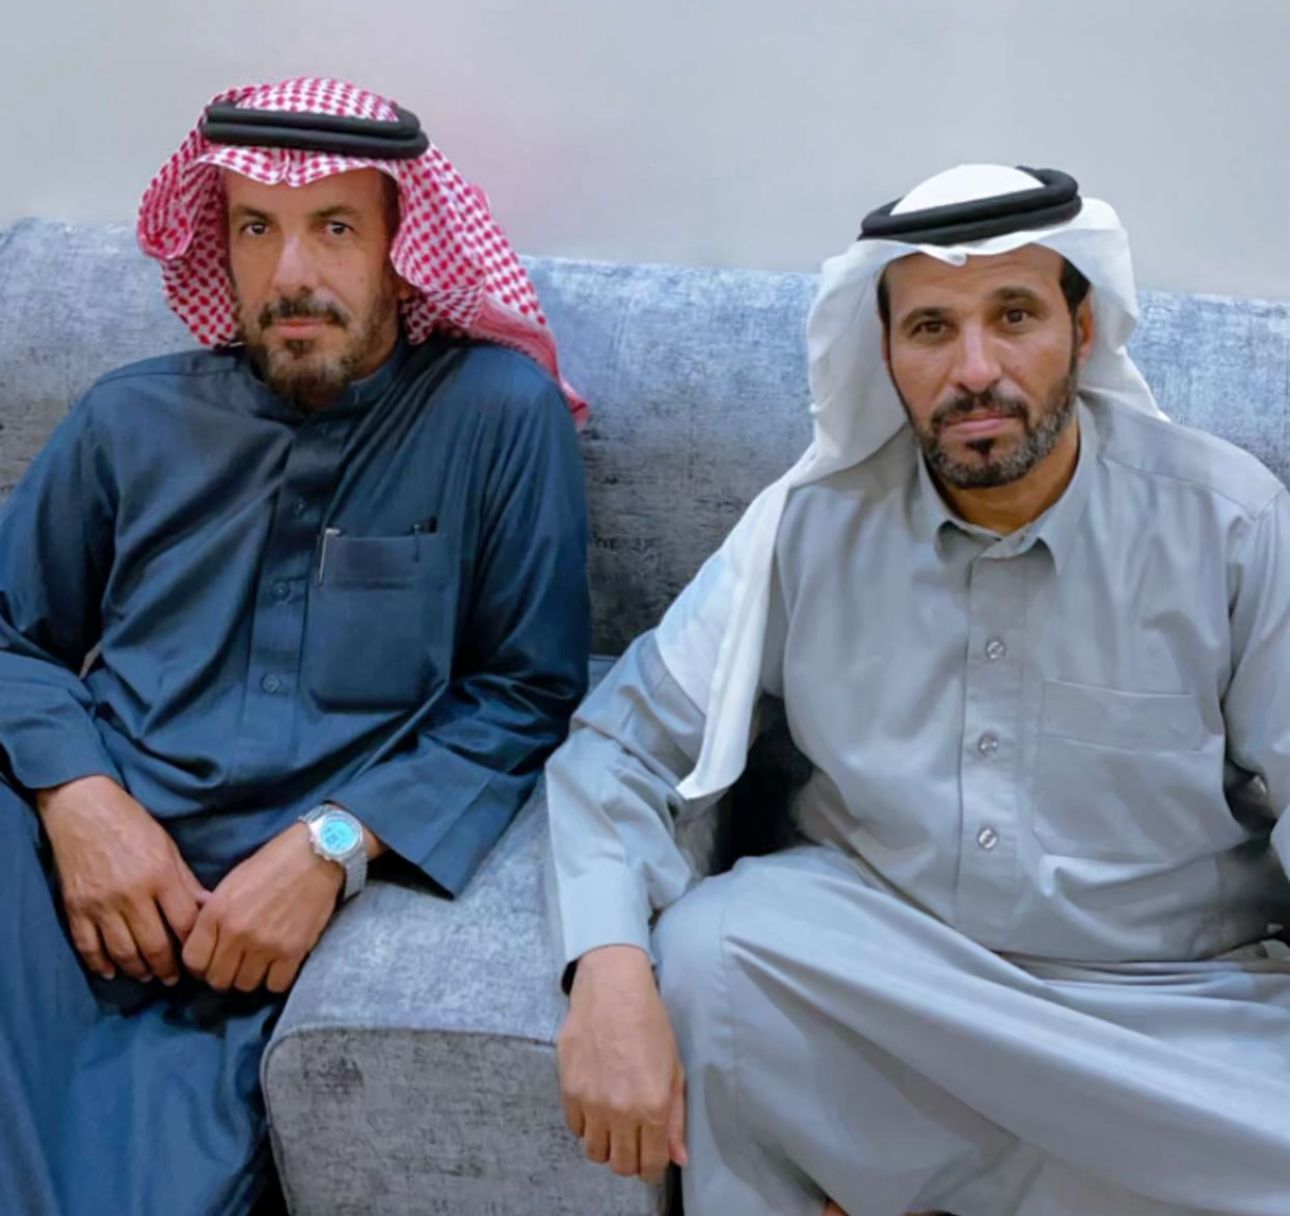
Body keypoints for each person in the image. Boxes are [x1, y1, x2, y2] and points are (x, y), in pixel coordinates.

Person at [546, 163, 1290, 1216]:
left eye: (1015, 315)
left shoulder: (1231, 523)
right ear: (886, 352)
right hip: (892, 983)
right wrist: (607, 962)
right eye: (932, 328)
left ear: (1082, 331)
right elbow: (623, 743)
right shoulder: (807, 529)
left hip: (1163, 1018)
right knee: (716, 956)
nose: (975, 370)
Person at [0, 76, 589, 1216]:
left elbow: (527, 693)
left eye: (334, 229)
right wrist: (80, 801)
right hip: (57, 860)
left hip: (250, 930)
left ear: (403, 247)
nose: (290, 274)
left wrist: (331, 847)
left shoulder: (496, 416)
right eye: (255, 230)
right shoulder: (127, 418)